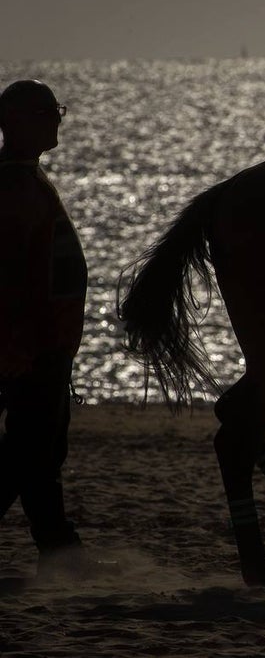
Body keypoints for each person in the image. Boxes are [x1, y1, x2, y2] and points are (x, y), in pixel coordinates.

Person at [0, 79, 96, 579]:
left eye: (57, 110)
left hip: (46, 343)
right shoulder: (14, 189)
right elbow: (10, 275)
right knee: (31, 451)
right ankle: (61, 553)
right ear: (17, 123)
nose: (57, 120)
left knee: (43, 449)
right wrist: (15, 344)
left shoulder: (25, 179)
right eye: (47, 112)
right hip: (31, 346)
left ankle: (60, 552)